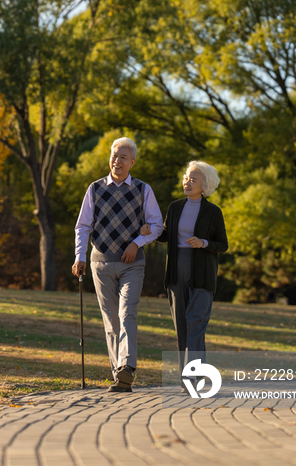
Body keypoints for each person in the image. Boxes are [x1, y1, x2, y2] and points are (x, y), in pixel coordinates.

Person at [72, 137, 163, 393]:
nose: (117, 160)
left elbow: (156, 225)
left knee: (127, 314)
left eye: (123, 157)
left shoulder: (143, 189)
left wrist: (137, 242)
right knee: (111, 321)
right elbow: (83, 226)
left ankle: (127, 367)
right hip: (100, 263)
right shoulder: (95, 188)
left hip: (132, 264)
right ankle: (119, 375)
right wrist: (79, 256)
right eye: (114, 155)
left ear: (132, 161)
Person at [140, 160, 228, 390]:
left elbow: (223, 244)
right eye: (186, 177)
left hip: (202, 273)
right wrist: (150, 230)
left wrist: (204, 242)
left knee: (195, 323)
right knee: (182, 326)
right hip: (176, 271)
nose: (187, 182)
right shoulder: (175, 207)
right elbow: (166, 235)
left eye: (193, 179)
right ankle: (186, 377)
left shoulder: (213, 212)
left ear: (204, 185)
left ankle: (194, 376)